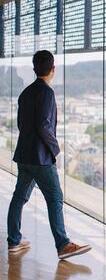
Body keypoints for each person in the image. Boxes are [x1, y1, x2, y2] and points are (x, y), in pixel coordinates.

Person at [7, 50, 91, 260]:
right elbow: (44, 125)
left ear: (35, 69)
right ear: (53, 69)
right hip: (40, 157)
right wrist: (55, 148)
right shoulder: (46, 93)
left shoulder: (25, 93)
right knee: (55, 198)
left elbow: (21, 124)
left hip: (24, 154)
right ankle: (63, 245)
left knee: (19, 198)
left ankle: (14, 241)